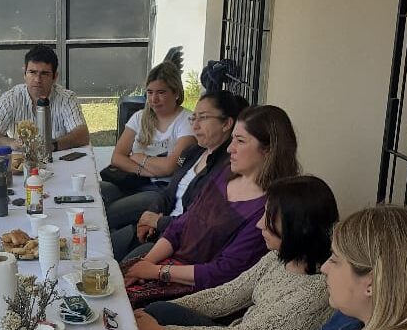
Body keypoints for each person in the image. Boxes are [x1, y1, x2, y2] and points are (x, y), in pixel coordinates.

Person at [136, 176, 338, 330]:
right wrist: (156, 316)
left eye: (269, 218)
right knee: (159, 311)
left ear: (298, 226)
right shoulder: (278, 258)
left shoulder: (315, 292)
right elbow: (226, 295)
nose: (259, 224)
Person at [122, 105, 301, 308]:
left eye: (240, 141)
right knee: (109, 282)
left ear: (268, 149)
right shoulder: (225, 173)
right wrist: (147, 262)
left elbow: (224, 272)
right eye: (232, 138)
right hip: (171, 262)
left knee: (123, 310)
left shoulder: (268, 207)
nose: (229, 148)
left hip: (201, 290)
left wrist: (156, 271)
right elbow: (182, 224)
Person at [110, 90, 248, 261]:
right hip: (160, 229)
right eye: (193, 118)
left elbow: (197, 221)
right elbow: (169, 192)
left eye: (203, 118)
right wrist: (149, 215)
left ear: (226, 124)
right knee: (105, 248)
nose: (195, 125)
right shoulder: (193, 152)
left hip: (178, 245)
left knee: (117, 271)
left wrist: (158, 222)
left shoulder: (226, 169)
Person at [100, 62, 196, 227]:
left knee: (108, 214)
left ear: (176, 93)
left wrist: (138, 157)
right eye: (150, 92)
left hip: (160, 190)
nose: (154, 99)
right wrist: (143, 170)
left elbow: (169, 168)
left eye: (161, 92)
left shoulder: (186, 121)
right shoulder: (139, 117)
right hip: (131, 180)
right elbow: (117, 157)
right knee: (91, 195)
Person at [0, 44, 89, 151]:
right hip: (22, 163)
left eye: (44, 73)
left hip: (57, 160)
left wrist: (52, 146)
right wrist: (11, 143)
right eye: (32, 72)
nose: (37, 79)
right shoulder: (10, 98)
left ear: (54, 77)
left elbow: (82, 135)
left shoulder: (67, 99)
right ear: (24, 74)